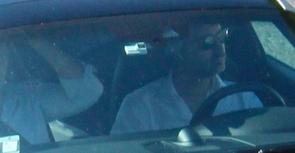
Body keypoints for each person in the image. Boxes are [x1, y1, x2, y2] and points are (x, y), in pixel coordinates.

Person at [113, 20, 265, 134]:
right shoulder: (141, 106)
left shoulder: (244, 99)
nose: (220, 50)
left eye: (221, 37)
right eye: (207, 42)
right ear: (178, 51)